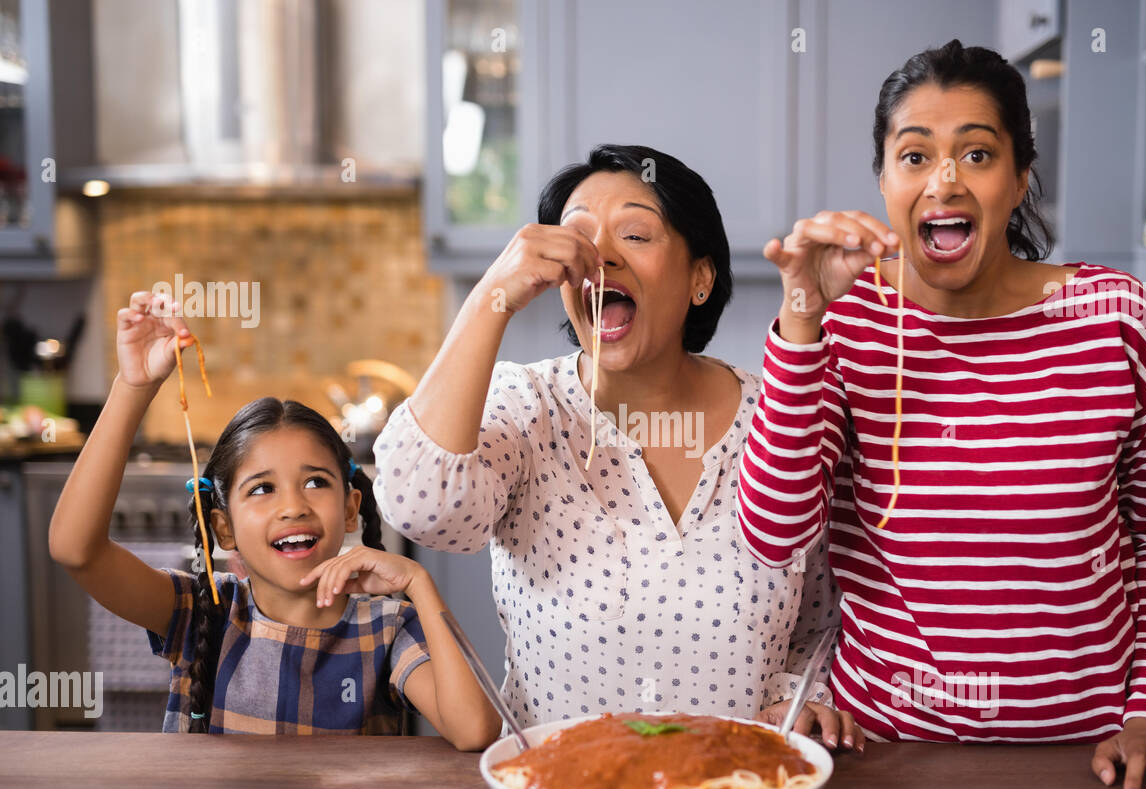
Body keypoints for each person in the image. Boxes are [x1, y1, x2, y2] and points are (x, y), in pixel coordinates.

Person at [740, 39, 1146, 789]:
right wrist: (803, 313)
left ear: (1020, 177)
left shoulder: (1115, 317)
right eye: (916, 156)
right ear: (885, 180)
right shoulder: (848, 319)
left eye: (977, 154)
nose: (945, 181)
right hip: (884, 753)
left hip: (1092, 758)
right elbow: (773, 532)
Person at [372, 144, 862, 750]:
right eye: (576, 238)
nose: (600, 256)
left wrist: (801, 693)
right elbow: (418, 506)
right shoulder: (526, 406)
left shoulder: (784, 413)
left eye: (636, 234)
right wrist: (491, 295)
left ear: (700, 278)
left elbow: (820, 614)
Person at [48, 291, 501, 746]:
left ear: (350, 510)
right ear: (224, 528)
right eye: (262, 489)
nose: (293, 507)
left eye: (315, 482)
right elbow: (76, 551)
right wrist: (133, 386)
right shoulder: (201, 612)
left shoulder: (387, 628)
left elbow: (475, 732)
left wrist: (419, 584)